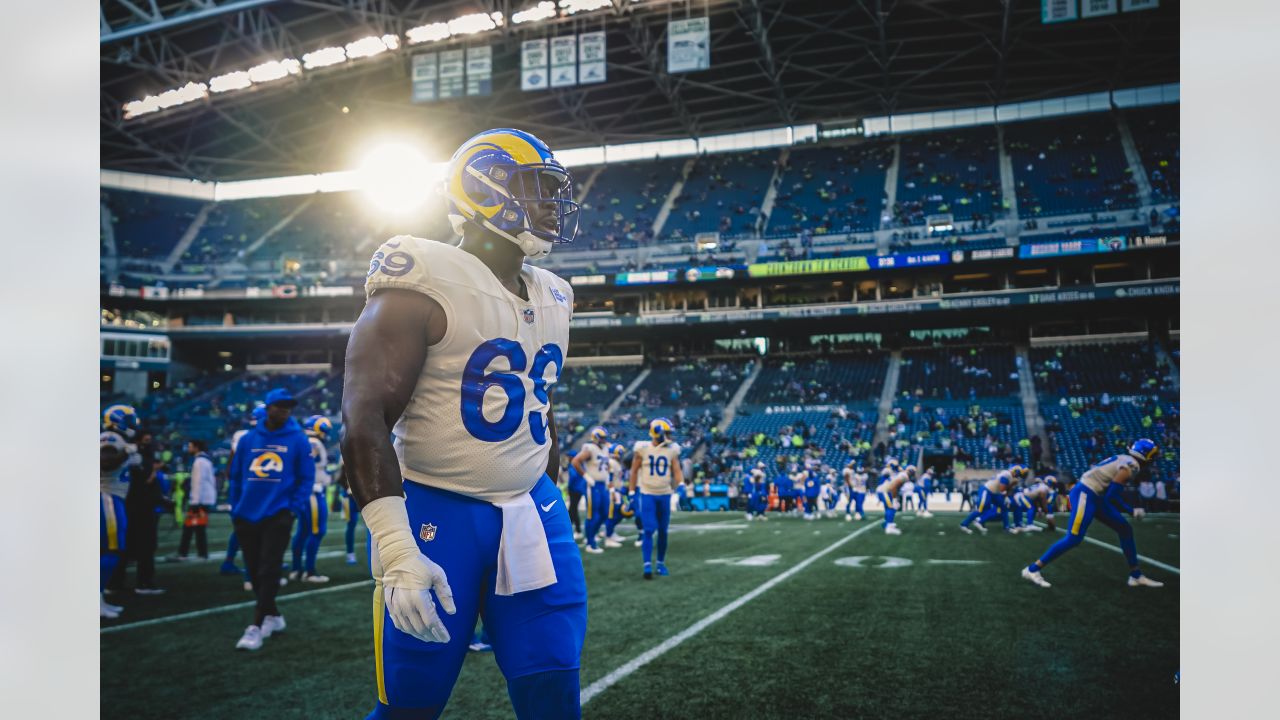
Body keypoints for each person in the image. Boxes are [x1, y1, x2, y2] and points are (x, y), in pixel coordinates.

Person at [340, 128, 586, 718]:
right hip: (439, 508)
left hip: (532, 509)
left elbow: (537, 411)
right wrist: (397, 548)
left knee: (554, 690)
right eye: (536, 189)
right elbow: (362, 417)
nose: (551, 205)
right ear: (487, 189)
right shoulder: (422, 275)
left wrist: (546, 489)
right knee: (410, 703)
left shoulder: (556, 293)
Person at [228, 387, 314, 650]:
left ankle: (256, 625)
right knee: (253, 570)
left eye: (288, 406)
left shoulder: (299, 440)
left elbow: (306, 477)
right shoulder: (247, 440)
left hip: (278, 514)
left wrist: (292, 508)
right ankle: (273, 615)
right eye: (279, 406)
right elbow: (236, 476)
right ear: (267, 408)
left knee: (269, 568)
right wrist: (236, 506)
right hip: (246, 513)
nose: (284, 410)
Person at [1022, 440, 1165, 589]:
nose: (1154, 457)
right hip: (1086, 494)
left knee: (1124, 528)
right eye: (1153, 454)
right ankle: (1032, 570)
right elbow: (1112, 496)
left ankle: (1135, 576)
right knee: (1074, 538)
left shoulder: (1125, 458)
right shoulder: (1132, 465)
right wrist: (1131, 510)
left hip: (1095, 496)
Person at [100, 404, 141, 618]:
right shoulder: (110, 437)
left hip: (112, 497)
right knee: (112, 550)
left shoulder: (116, 438)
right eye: (130, 419)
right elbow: (105, 463)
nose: (133, 424)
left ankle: (99, 598)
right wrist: (127, 453)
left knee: (109, 550)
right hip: (107, 496)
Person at [630, 418, 684, 579]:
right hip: (648, 494)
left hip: (665, 495)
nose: (669, 436)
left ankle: (660, 563)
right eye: (667, 433)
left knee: (663, 531)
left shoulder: (672, 449)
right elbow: (633, 471)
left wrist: (681, 484)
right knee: (648, 529)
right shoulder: (642, 449)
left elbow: (676, 469)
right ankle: (647, 564)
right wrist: (632, 492)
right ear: (657, 432)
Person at [222, 404, 266, 576]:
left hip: (243, 486)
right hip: (249, 488)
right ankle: (250, 567)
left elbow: (230, 466)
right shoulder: (249, 437)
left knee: (245, 528)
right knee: (252, 529)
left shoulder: (243, 435)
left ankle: (230, 561)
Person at [290, 414, 335, 583]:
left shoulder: (305, 441)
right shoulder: (313, 443)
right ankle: (309, 572)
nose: (326, 433)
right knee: (317, 531)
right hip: (313, 492)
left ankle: (296, 569)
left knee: (303, 531)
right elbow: (309, 467)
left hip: (307, 493)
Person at [959, 464, 1029, 535]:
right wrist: (1011, 485)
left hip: (995, 493)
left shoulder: (1010, 476)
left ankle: (1006, 528)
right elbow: (1002, 489)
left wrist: (1010, 488)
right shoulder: (1007, 475)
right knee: (980, 510)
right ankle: (964, 525)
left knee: (1004, 507)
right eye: (1019, 474)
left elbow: (1006, 492)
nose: (1019, 477)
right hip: (987, 490)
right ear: (1016, 472)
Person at [573, 427, 611, 554]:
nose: (604, 440)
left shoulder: (605, 449)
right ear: (596, 437)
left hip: (602, 485)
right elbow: (576, 461)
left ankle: (592, 535)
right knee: (593, 514)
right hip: (593, 485)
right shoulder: (590, 448)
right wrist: (586, 476)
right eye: (602, 438)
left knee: (605, 513)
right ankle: (590, 543)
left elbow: (605, 466)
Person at [177, 440, 216, 561]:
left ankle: (186, 553)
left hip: (200, 500)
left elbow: (197, 483)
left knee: (192, 528)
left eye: (190, 446)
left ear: (196, 447)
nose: (188, 449)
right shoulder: (205, 460)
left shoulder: (199, 462)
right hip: (204, 499)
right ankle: (197, 553)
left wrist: (195, 501)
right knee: (197, 528)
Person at [874, 468, 906, 536]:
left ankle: (887, 524)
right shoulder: (900, 477)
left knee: (890, 508)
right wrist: (895, 500)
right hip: (884, 491)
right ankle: (889, 527)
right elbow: (894, 488)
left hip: (884, 491)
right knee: (891, 508)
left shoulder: (895, 476)